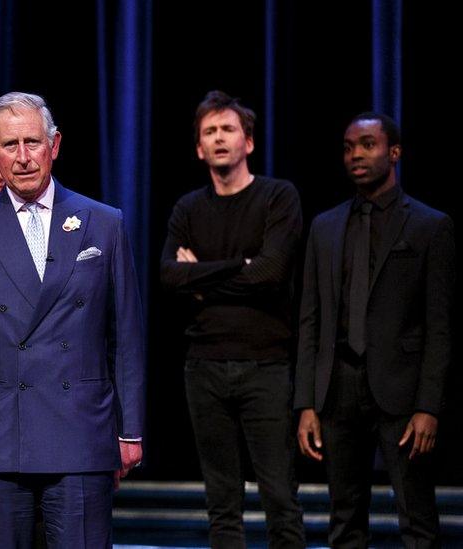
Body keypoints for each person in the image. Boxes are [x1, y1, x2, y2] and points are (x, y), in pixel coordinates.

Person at [0, 91, 145, 547]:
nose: (22, 158)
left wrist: (130, 428)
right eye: (10, 145)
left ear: (54, 145)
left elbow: (127, 336)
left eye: (33, 143)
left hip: (80, 431)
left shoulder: (103, 223)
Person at [295, 113, 454, 548]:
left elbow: (439, 326)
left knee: (416, 518)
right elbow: (311, 319)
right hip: (339, 389)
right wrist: (307, 403)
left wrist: (429, 407)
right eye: (348, 147)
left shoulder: (428, 225)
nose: (356, 155)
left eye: (367, 145)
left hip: (402, 393)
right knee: (344, 520)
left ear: (394, 152)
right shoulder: (325, 227)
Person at [159, 90, 306, 548]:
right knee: (222, 505)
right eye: (210, 132)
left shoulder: (278, 197)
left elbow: (271, 273)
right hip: (203, 366)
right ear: (199, 148)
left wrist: (200, 277)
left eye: (228, 129)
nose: (219, 139)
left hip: (266, 366)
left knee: (280, 498)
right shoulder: (188, 208)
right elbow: (168, 276)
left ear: (249, 142)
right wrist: (238, 266)